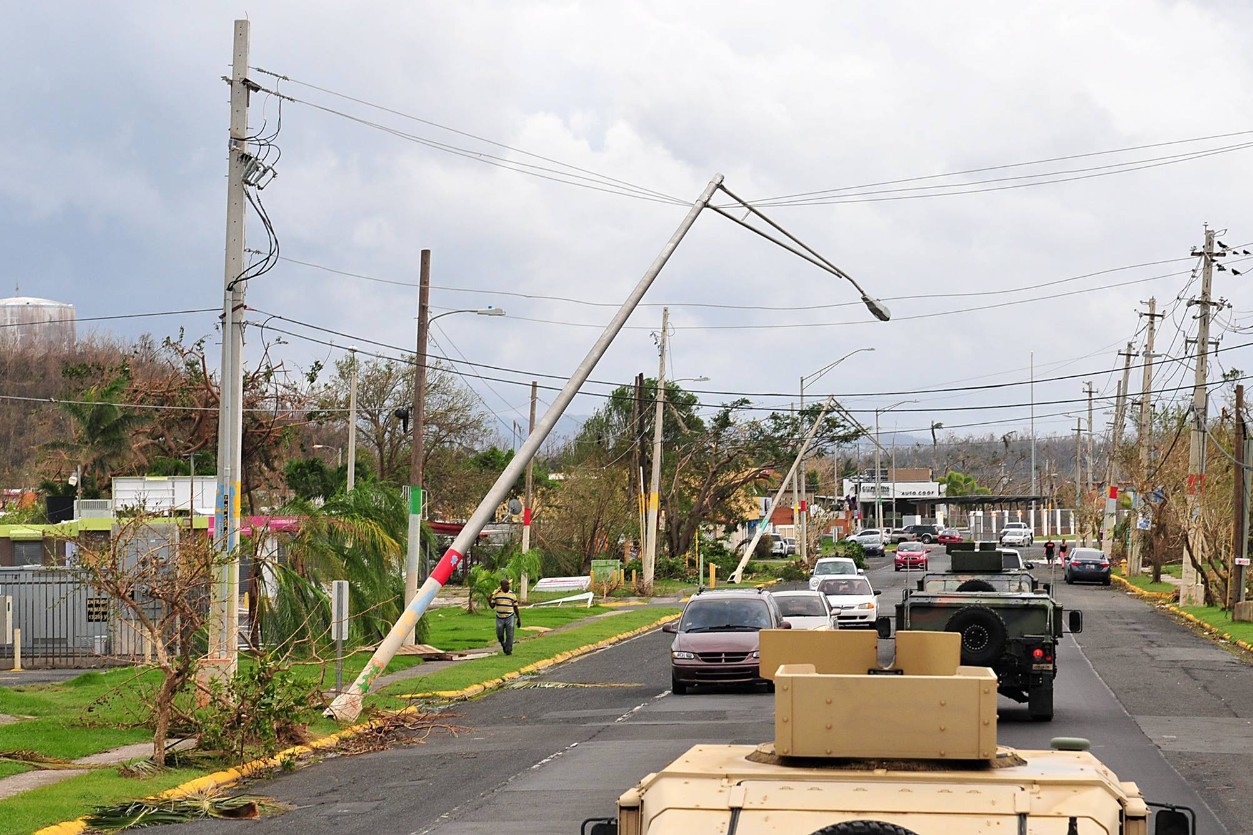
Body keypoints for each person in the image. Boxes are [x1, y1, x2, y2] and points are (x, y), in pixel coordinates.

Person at [489, 578, 521, 655]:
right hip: (499, 617)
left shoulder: (512, 594)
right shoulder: (496, 594)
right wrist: (488, 600)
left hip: (510, 616)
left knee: (510, 634)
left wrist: (519, 619)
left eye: (508, 584)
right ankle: (504, 645)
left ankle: (508, 650)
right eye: (506, 584)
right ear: (502, 586)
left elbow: (515, 607)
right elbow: (492, 606)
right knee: (499, 634)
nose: (508, 586)